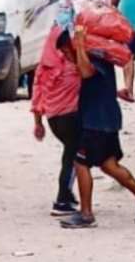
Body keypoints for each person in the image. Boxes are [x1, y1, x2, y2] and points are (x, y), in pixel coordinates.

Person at [59, 26, 135, 228]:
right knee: (108, 165)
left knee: (80, 163)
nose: (65, 57)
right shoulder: (97, 53)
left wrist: (78, 46)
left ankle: (86, 215)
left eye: (64, 52)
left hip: (96, 123)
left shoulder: (93, 54)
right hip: (106, 119)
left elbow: (87, 73)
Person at [31, 19, 82, 216]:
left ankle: (67, 195)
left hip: (53, 120)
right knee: (73, 158)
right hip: (70, 117)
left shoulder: (44, 67)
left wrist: (38, 124)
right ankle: (62, 200)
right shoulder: (71, 68)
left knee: (69, 156)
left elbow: (37, 96)